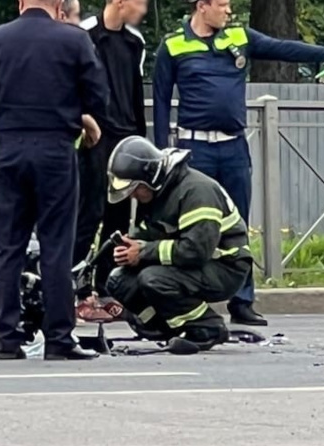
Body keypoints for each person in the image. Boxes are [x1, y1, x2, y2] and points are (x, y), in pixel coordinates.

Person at [153, 0, 324, 327]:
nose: (228, 10)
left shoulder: (239, 37)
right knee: (194, 227)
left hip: (233, 148)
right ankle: (194, 298)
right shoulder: (172, 46)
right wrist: (160, 157)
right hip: (194, 150)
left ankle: (243, 301)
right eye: (223, 4)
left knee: (238, 225)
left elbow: (284, 49)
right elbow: (161, 101)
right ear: (203, 5)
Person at [0, 0, 109, 361]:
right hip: (57, 149)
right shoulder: (74, 39)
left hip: (9, 150)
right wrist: (72, 114)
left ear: (20, 2)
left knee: (7, 244)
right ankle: (59, 339)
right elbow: (98, 96)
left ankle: (6, 337)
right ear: (59, 5)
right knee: (57, 245)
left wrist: (4, 113)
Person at [104, 135, 252, 355]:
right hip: (193, 262)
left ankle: (207, 326)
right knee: (119, 280)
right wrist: (131, 248)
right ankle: (168, 329)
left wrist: (143, 251)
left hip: (225, 266)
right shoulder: (155, 195)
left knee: (153, 279)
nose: (132, 195)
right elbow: (151, 236)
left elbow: (196, 250)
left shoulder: (197, 191)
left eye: (135, 188)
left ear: (150, 178)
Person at [74, 0, 150, 289]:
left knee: (119, 217)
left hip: (127, 138)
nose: (143, 10)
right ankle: (74, 281)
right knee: (87, 212)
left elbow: (135, 91)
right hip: (95, 137)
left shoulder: (136, 43)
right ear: (120, 1)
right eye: (139, 3)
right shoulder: (83, 35)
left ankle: (109, 285)